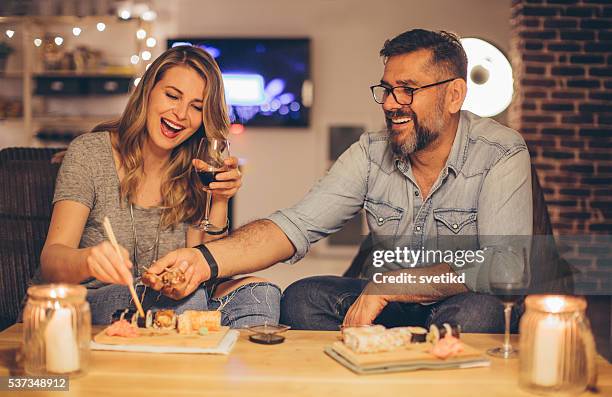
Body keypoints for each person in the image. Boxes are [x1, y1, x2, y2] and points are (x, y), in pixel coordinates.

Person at [147, 29, 532, 331]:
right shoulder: (369, 152)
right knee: (301, 298)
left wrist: (391, 285)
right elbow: (295, 226)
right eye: (386, 89)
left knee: (477, 317)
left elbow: (505, 265)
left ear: (454, 95)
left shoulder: (500, 153)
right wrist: (203, 260)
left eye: (408, 90)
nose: (390, 103)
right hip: (389, 306)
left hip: (456, 301)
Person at [38, 45, 281, 327]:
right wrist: (88, 260)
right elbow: (51, 262)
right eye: (172, 96)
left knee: (261, 294)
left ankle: (205, 361)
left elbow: (208, 270)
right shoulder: (90, 153)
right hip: (83, 303)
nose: (180, 114)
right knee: (187, 303)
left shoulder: (196, 167)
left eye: (196, 107)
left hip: (167, 300)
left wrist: (219, 200)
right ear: (148, 92)